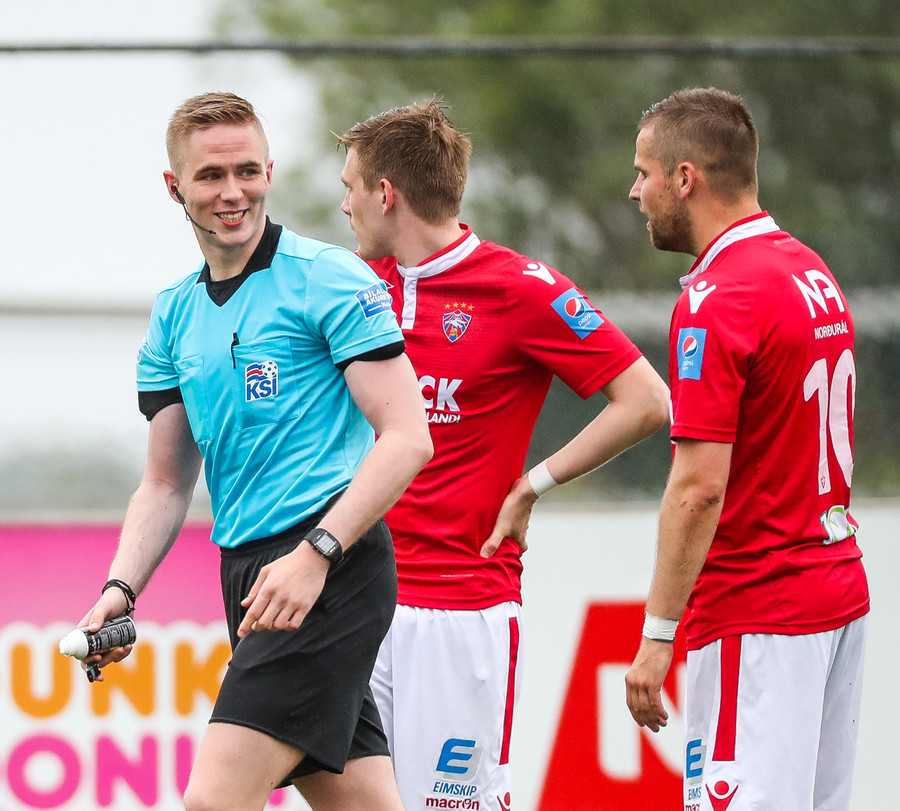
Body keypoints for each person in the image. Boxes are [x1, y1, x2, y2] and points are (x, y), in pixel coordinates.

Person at [72, 92, 433, 811]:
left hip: (330, 566)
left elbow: (407, 437)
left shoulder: (328, 276)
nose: (232, 192)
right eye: (210, 176)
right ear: (175, 187)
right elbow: (165, 483)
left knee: (213, 800)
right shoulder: (174, 312)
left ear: (269, 171)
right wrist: (120, 589)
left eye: (247, 171)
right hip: (247, 575)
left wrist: (317, 553)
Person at [336, 99, 670, 809]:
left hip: (460, 608)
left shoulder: (520, 288)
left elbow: (647, 400)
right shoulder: (356, 288)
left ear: (386, 194)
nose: (344, 205)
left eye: (350, 188)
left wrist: (533, 484)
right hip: (360, 599)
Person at [624, 87, 869, 811]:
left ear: (686, 178)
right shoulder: (808, 268)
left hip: (760, 610)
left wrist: (658, 635)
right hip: (834, 592)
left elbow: (698, 486)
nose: (635, 191)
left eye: (643, 172)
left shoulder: (719, 295)